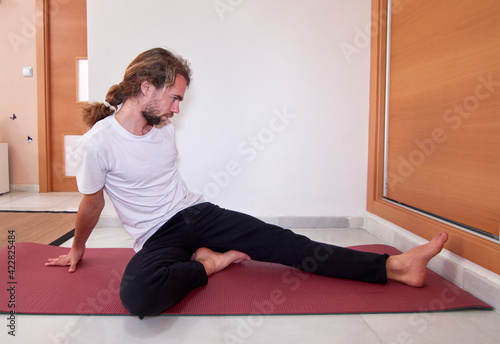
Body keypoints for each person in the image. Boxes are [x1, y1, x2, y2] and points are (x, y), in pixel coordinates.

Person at [45, 47, 449, 319]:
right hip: (156, 236)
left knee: (287, 243)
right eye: (174, 98)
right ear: (145, 88)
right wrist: (77, 247)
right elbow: (92, 205)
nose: (177, 109)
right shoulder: (97, 144)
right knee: (138, 297)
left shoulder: (162, 126)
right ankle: (208, 262)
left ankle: (394, 267)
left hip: (196, 214)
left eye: (181, 101)